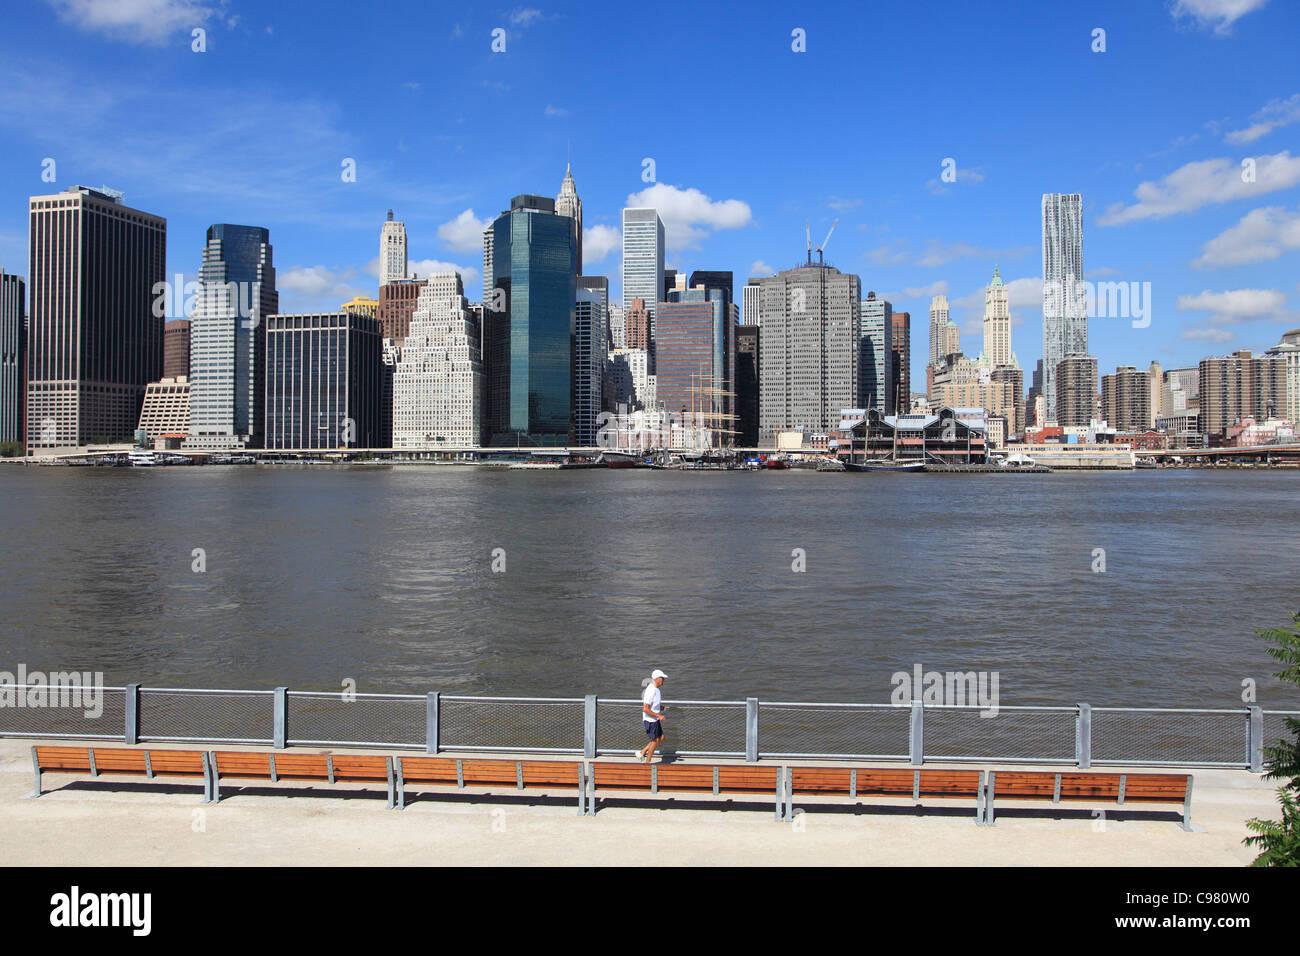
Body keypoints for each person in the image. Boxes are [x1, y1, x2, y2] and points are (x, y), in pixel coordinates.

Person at [636, 669, 667, 763]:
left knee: (661, 738)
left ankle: (642, 752)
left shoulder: (656, 689)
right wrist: (659, 716)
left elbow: (653, 704)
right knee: (654, 741)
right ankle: (647, 763)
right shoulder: (651, 690)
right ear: (657, 679)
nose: (663, 680)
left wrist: (659, 707)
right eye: (662, 678)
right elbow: (645, 709)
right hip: (650, 720)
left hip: (654, 719)